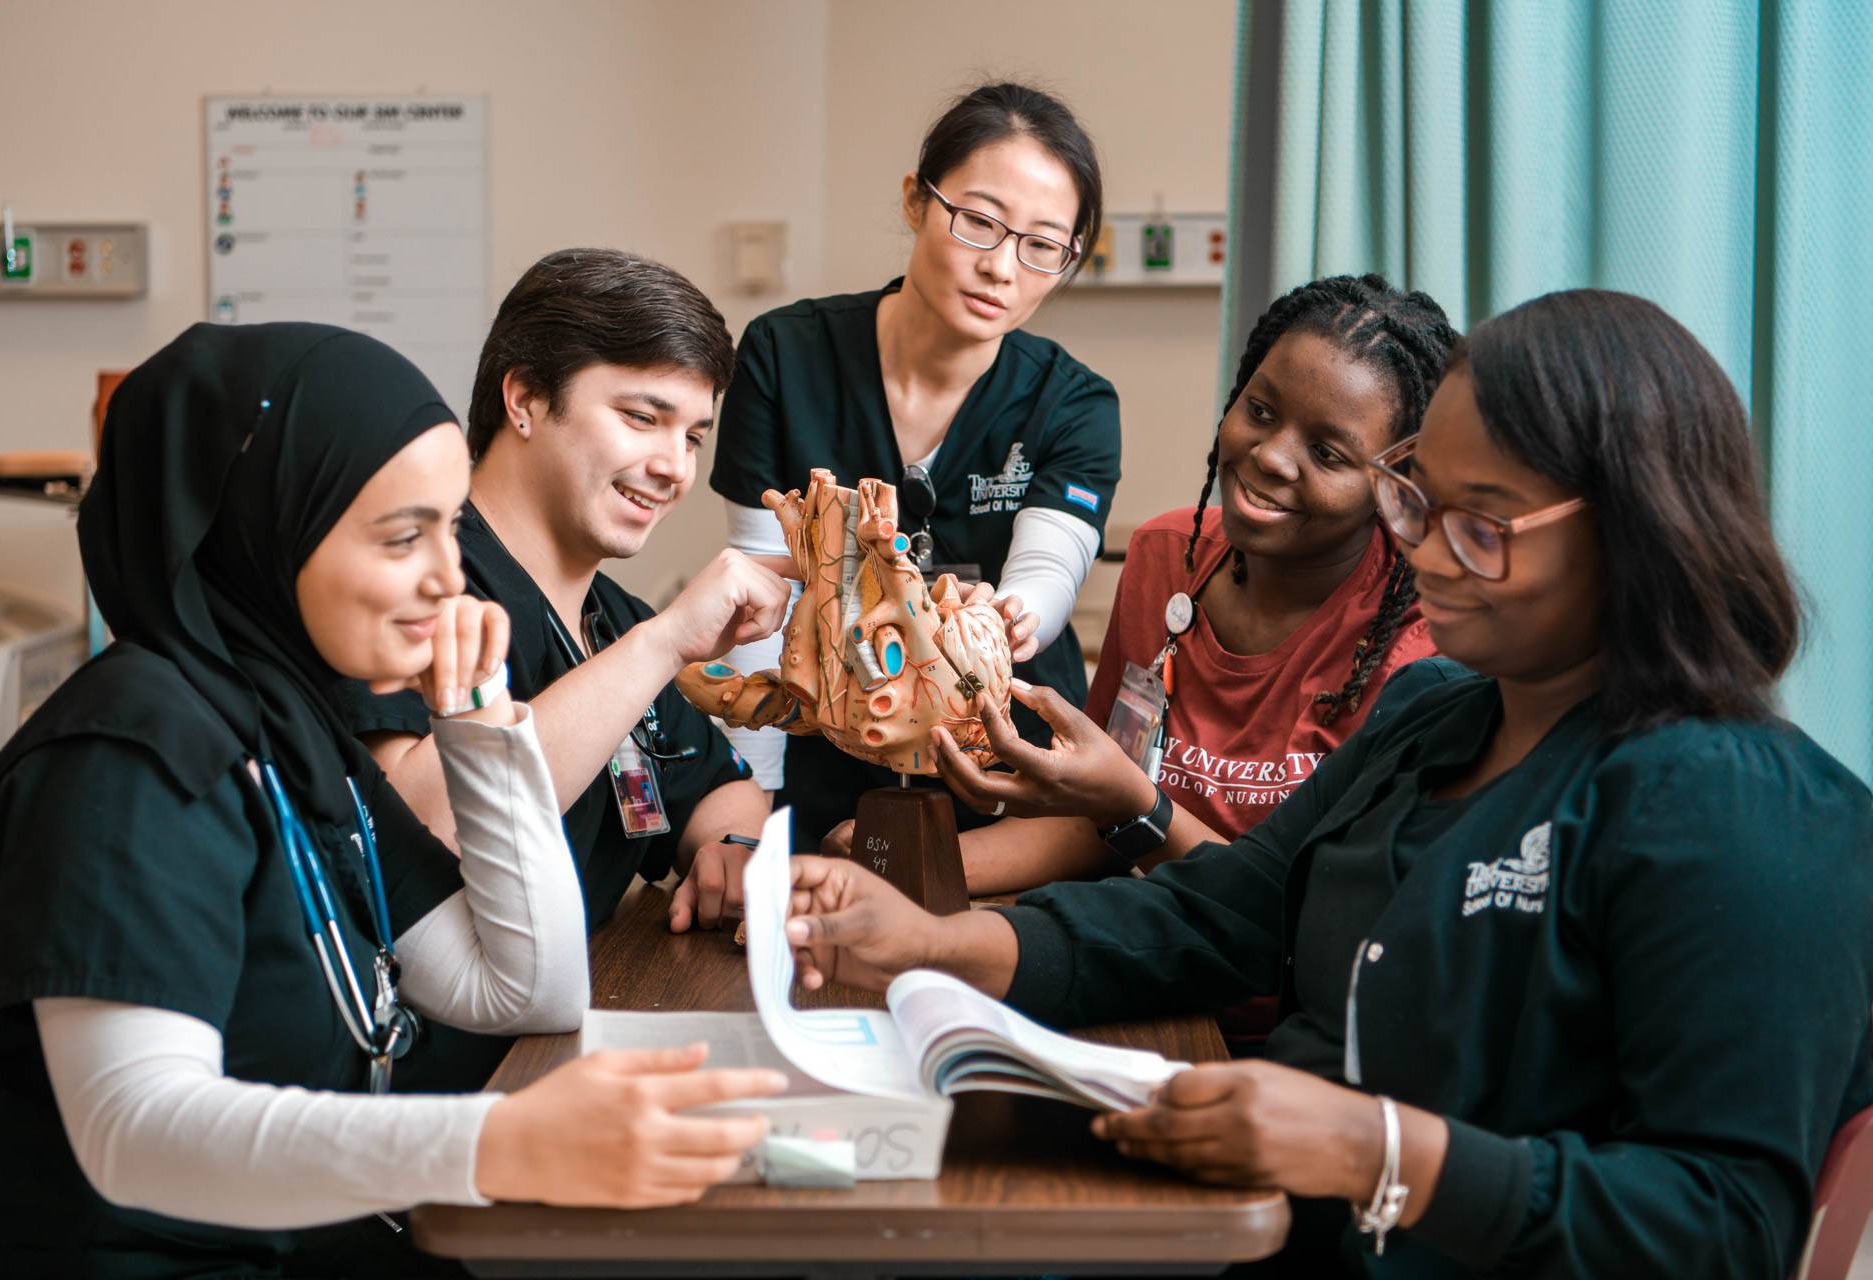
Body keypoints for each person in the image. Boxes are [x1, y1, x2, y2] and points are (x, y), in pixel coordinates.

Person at [780, 290, 1873, 1277]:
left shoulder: (1743, 810)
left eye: (1482, 527)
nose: (1431, 554)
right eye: (1418, 501)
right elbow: (1221, 909)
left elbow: (1726, 1226)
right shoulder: (1430, 713)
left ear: (1637, 528)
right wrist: (935, 941)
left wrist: (1378, 1147)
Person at [0, 324, 786, 1276]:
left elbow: (526, 986)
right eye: (403, 537)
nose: (447, 578)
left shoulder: (293, 734)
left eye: (449, 527)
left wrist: (484, 731)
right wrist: (497, 1141)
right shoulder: (130, 754)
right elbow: (132, 1131)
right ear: (274, 528)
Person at [829, 275, 1453, 899]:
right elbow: (1092, 824)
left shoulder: (1421, 646)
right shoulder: (1166, 558)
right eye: (1260, 412)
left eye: (1328, 453)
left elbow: (1308, 915)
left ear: (1395, 483)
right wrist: (894, 866)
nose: (1271, 456)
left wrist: (1136, 805)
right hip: (1144, 938)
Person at [710, 81, 1121, 849]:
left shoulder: (1074, 403)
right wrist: (751, 820)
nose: (1003, 268)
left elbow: (1049, 571)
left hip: (1004, 762)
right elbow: (758, 601)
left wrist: (1003, 616)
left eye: (1042, 245)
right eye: (979, 223)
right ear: (915, 202)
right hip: (828, 747)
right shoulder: (785, 356)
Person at [339, 249, 792, 935]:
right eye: (643, 417)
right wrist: (664, 644)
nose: (675, 467)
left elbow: (722, 790)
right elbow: (415, 834)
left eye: (694, 437)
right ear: (523, 400)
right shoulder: (416, 585)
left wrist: (732, 850)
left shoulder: (611, 622)